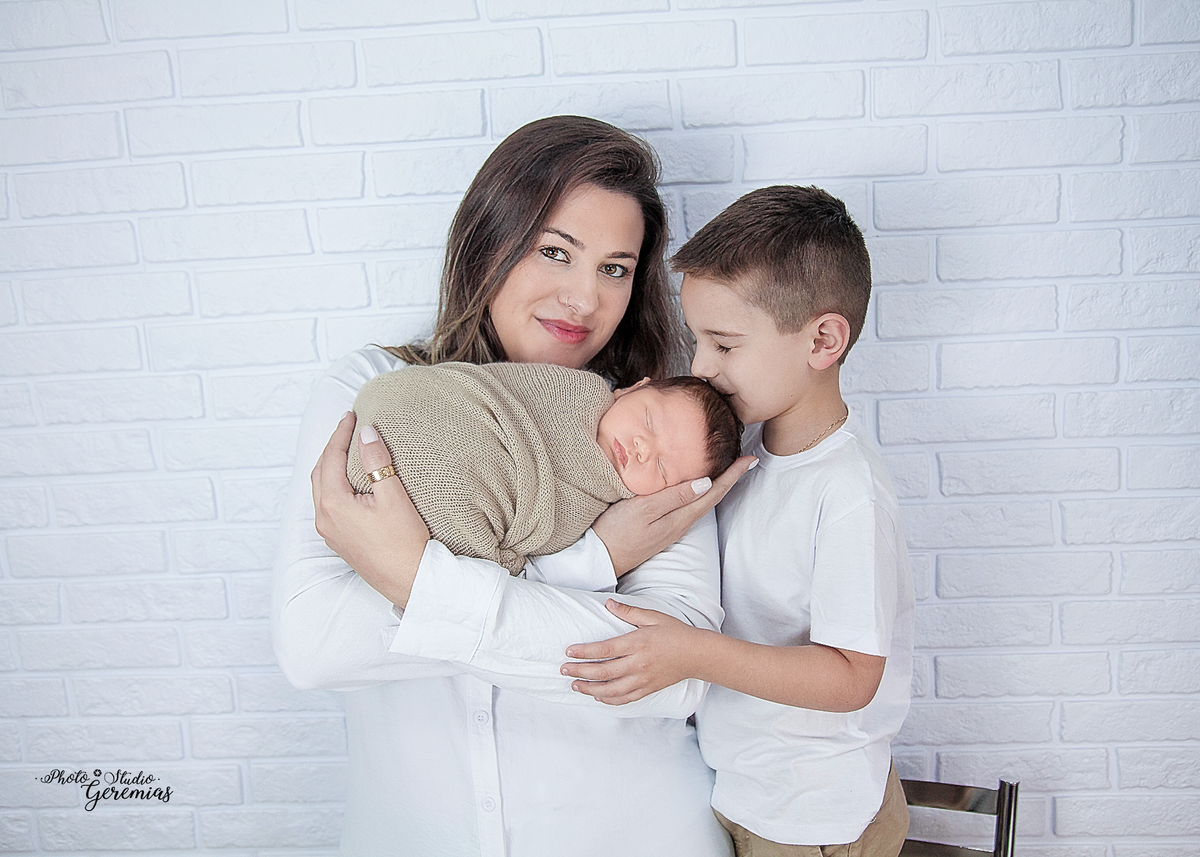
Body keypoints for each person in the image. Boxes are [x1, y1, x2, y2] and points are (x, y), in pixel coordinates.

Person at [271, 115, 752, 857]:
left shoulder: (658, 433)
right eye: (555, 251)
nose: (584, 299)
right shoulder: (376, 391)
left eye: (615, 269)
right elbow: (314, 647)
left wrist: (408, 577)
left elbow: (673, 677)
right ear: (489, 240)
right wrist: (591, 560)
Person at [561, 186, 916, 857]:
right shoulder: (743, 449)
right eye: (698, 340)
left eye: (724, 344)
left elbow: (852, 677)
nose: (700, 366)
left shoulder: (848, 493)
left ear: (823, 340)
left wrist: (689, 652)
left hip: (812, 818)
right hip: (743, 788)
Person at [347, 364, 742, 574]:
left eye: (661, 467)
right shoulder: (574, 389)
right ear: (634, 388)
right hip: (423, 410)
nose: (642, 448)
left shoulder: (594, 509)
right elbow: (495, 388)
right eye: (649, 420)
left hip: (449, 502)